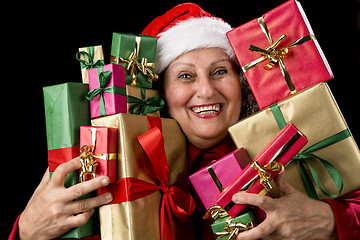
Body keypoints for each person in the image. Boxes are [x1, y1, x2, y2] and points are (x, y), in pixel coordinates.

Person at [10, 3, 360, 240]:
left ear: (241, 83)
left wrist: (332, 221)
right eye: (186, 76)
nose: (206, 91)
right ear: (160, 94)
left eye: (220, 71)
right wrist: (26, 232)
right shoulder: (112, 169)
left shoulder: (291, 147)